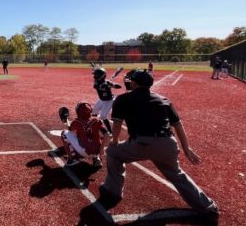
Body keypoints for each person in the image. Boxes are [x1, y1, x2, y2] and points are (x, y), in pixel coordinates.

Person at [98, 69, 219, 224]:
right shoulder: (164, 99)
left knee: (113, 152)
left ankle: (112, 191)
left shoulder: (123, 99)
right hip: (168, 143)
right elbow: (178, 125)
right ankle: (207, 206)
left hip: (142, 143)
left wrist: (114, 141)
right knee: (177, 174)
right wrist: (186, 148)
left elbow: (117, 124)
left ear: (134, 82)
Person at [60, 102, 110, 167]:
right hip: (97, 151)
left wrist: (66, 120)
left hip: (83, 152)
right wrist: (102, 148)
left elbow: (70, 129)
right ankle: (96, 158)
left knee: (64, 133)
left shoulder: (76, 122)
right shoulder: (97, 120)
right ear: (90, 111)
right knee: (98, 134)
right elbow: (107, 134)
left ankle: (71, 158)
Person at [91, 68, 122, 133]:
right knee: (94, 112)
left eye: (96, 75)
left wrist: (111, 85)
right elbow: (96, 86)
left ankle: (110, 131)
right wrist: (102, 86)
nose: (94, 76)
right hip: (101, 100)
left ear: (101, 76)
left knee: (102, 116)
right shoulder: (96, 82)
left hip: (109, 101)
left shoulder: (107, 82)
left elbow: (119, 86)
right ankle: (96, 125)